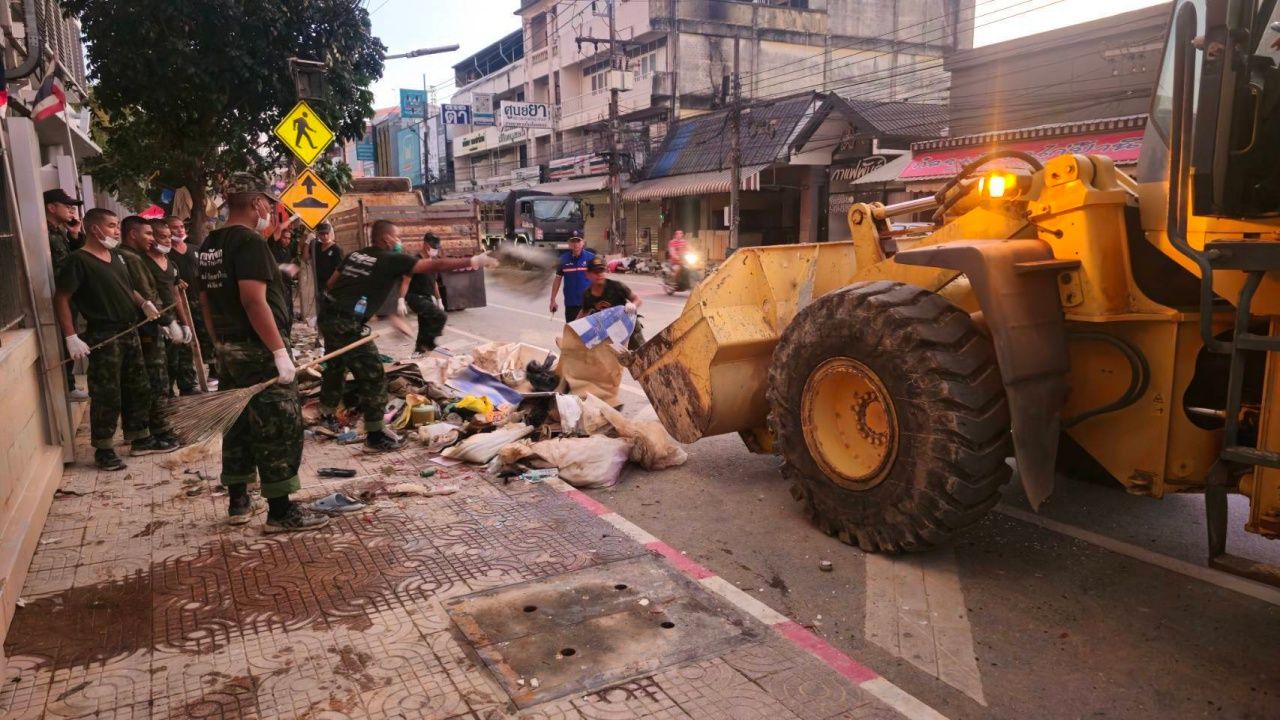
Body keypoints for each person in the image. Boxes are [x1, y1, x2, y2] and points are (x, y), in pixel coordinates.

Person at [198, 174, 327, 532]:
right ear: (256, 204)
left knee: (236, 420)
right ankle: (281, 511)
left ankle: (238, 499)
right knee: (278, 424)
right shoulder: (248, 242)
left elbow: (206, 301)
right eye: (268, 205)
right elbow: (253, 302)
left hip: (229, 348)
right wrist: (279, 353)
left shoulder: (210, 243)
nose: (270, 211)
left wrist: (218, 343)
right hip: (258, 349)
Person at [318, 220, 497, 451]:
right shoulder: (390, 259)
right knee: (373, 376)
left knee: (334, 367)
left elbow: (332, 283)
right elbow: (433, 266)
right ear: (386, 239)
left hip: (328, 317)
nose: (399, 240)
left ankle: (326, 417)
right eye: (397, 236)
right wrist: (474, 261)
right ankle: (375, 436)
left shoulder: (355, 255)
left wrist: (358, 304)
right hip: (347, 325)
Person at [53, 209, 176, 470]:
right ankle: (104, 448)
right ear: (94, 229)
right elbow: (62, 298)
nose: (115, 231)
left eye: (117, 225)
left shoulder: (116, 257)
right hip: (104, 334)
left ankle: (139, 437)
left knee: (138, 387)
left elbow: (127, 287)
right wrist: (71, 336)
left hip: (130, 330)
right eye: (111, 226)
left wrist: (143, 303)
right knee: (108, 392)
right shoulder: (79, 261)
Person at [119, 216, 183, 446]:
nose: (152, 239)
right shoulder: (130, 258)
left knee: (143, 382)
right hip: (147, 327)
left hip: (147, 326)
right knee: (156, 380)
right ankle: (157, 430)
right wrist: (167, 321)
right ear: (133, 234)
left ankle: (147, 431)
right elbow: (147, 293)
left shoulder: (127, 257)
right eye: (148, 234)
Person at [147, 219, 197, 396]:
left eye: (169, 237)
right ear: (152, 238)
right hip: (156, 321)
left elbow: (176, 296)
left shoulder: (170, 263)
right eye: (163, 237)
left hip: (174, 319)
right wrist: (163, 322)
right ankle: (166, 397)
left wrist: (184, 324)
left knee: (178, 359)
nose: (168, 241)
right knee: (162, 365)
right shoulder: (144, 263)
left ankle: (184, 388)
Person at [46, 188, 86, 399]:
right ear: (52, 207)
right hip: (57, 293)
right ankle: (68, 384)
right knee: (64, 340)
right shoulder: (45, 233)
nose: (72, 211)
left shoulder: (60, 231)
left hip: (70, 293)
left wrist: (75, 235)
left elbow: (77, 254)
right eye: (67, 206)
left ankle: (69, 383)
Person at [166, 216, 204, 394]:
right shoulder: (166, 255)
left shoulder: (196, 250)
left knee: (204, 340)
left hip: (199, 302)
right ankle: (187, 383)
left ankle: (210, 375)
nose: (180, 230)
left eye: (181, 226)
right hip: (179, 304)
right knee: (185, 346)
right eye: (175, 228)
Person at [396, 233, 447, 358]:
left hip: (427, 297)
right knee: (440, 316)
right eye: (433, 247)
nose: (435, 250)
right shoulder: (415, 261)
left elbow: (434, 282)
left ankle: (419, 350)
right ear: (425, 245)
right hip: (415, 297)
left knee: (425, 323)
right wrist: (401, 299)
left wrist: (439, 300)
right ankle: (429, 343)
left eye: (436, 247)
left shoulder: (433, 262)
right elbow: (406, 281)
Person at [577, 256, 644, 350]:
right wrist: (572, 328)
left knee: (640, 356)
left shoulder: (616, 286)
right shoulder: (587, 295)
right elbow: (584, 312)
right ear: (587, 274)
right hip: (609, 334)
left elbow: (637, 299)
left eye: (602, 271)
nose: (599, 274)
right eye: (596, 272)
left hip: (629, 329)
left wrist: (633, 305)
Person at [549, 229, 595, 321]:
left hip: (589, 304)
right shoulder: (563, 260)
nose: (576, 244)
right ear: (569, 243)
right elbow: (557, 279)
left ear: (583, 242)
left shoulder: (591, 258)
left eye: (578, 241)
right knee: (572, 333)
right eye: (573, 241)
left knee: (590, 334)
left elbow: (599, 279)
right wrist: (553, 300)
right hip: (571, 305)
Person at [306, 222, 343, 322]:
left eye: (327, 233)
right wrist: (307, 242)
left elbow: (339, 269)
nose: (325, 236)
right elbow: (306, 257)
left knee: (331, 308)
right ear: (318, 234)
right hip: (319, 283)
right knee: (322, 309)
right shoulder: (317, 247)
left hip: (331, 284)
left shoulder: (336, 249)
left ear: (330, 233)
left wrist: (329, 284)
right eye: (322, 234)